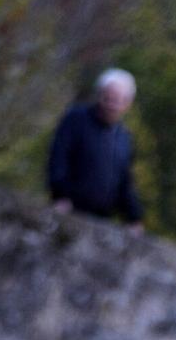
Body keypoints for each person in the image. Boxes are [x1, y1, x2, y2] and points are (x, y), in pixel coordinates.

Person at [47, 68, 144, 228]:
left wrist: (134, 217)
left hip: (102, 219)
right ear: (99, 95)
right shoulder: (76, 119)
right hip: (70, 209)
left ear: (127, 103)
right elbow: (58, 158)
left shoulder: (124, 137)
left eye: (118, 100)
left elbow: (124, 182)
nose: (112, 105)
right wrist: (60, 195)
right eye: (108, 98)